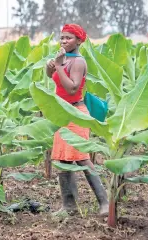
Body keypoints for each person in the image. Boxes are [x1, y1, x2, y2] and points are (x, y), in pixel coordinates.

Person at [45, 24, 109, 216]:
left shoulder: (78, 62)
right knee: (63, 159)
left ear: (79, 41)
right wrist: (51, 68)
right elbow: (55, 79)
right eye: (62, 37)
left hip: (76, 113)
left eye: (69, 38)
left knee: (82, 159)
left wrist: (58, 65)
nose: (64, 41)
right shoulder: (64, 58)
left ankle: (104, 203)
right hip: (62, 114)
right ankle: (69, 206)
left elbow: (72, 88)